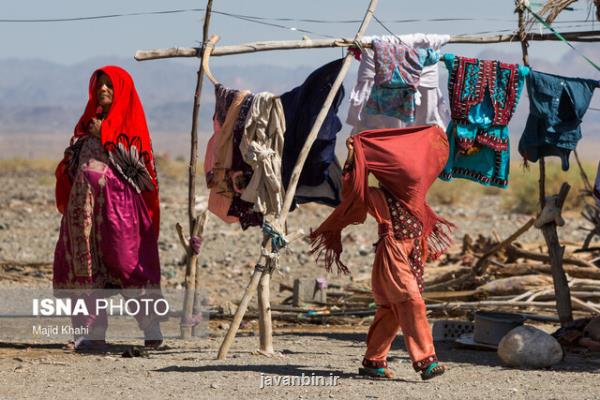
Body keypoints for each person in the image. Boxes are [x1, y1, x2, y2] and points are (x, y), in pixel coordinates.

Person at [310, 126, 453, 380]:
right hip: (393, 255)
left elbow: (429, 162)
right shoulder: (379, 197)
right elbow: (352, 192)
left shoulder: (416, 195)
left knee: (390, 310)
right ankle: (426, 360)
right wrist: (354, 158)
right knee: (412, 303)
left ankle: (373, 362)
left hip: (412, 253)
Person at [53, 66, 163, 350]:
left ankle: (152, 330)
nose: (103, 90)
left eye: (109, 86)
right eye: (99, 85)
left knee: (128, 266)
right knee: (85, 269)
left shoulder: (131, 128)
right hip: (83, 216)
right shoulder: (86, 126)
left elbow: (140, 172)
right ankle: (91, 334)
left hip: (119, 213)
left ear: (122, 91)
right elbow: (71, 167)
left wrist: (107, 134)